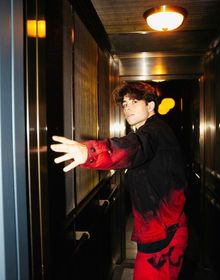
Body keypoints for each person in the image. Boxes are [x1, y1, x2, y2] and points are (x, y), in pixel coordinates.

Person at [50, 81, 188, 280]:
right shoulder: (152, 131)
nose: (127, 107)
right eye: (124, 104)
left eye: (134, 101)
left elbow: (132, 147)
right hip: (163, 228)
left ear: (150, 106)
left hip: (163, 234)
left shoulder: (153, 132)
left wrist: (89, 152)